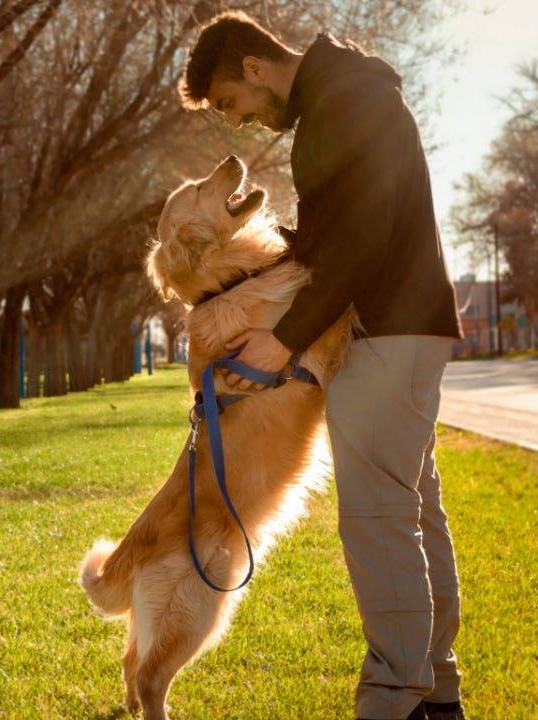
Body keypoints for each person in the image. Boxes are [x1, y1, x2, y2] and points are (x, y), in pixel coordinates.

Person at [177, 12, 467, 720]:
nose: (240, 120)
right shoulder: (341, 98)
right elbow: (336, 236)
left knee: (377, 516)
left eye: (231, 103)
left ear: (253, 68)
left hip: (388, 326)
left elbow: (364, 235)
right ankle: (436, 690)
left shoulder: (346, 101)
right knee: (410, 507)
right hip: (394, 324)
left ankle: (395, 699)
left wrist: (286, 338)